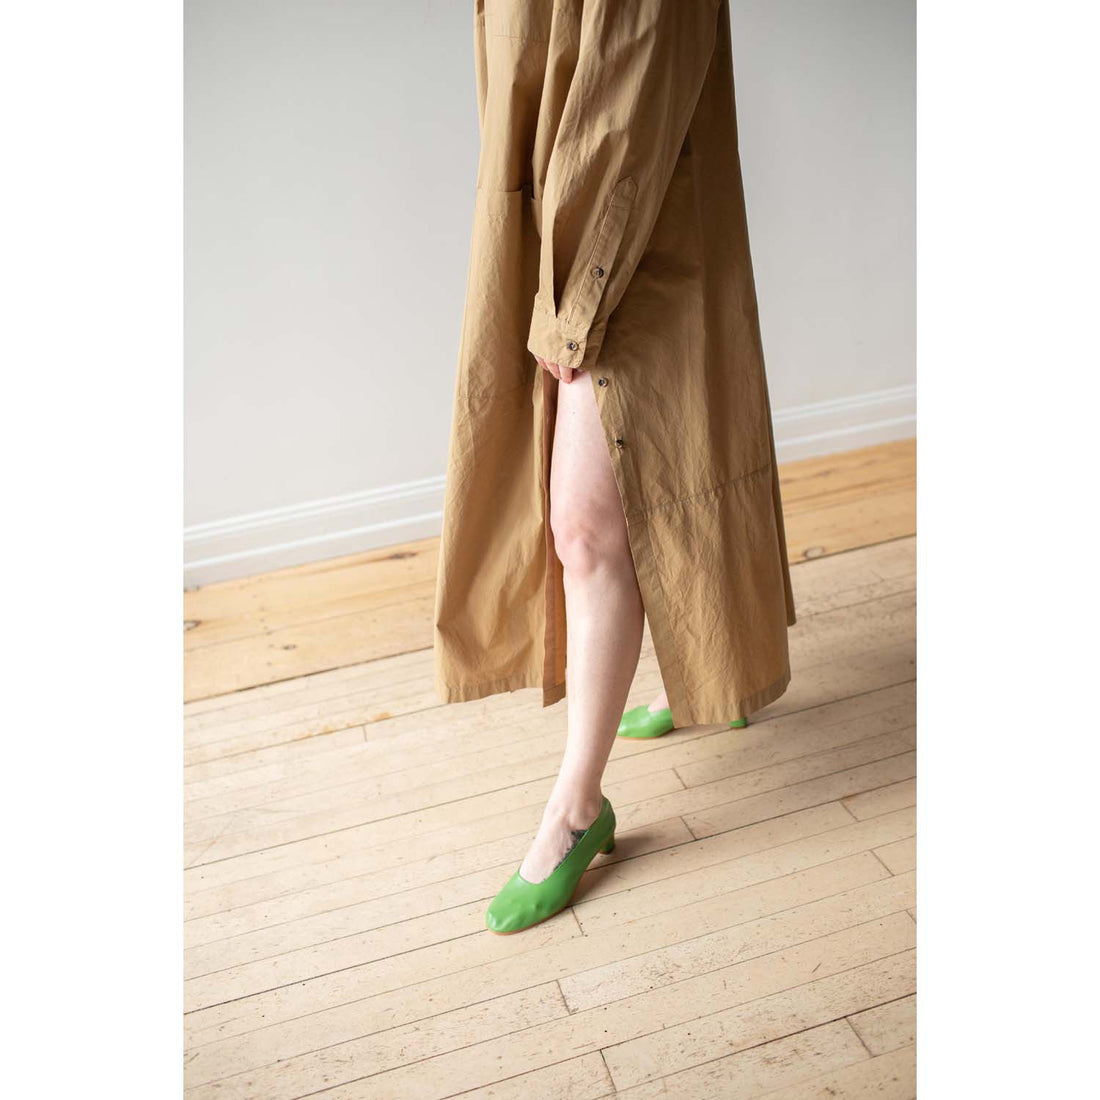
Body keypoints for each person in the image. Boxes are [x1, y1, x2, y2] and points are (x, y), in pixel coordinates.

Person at [433, 0, 796, 934]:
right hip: (575, 224)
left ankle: (576, 807)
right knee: (670, 463)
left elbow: (630, 97)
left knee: (586, 525)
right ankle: (708, 661)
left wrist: (574, 302)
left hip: (624, 237)